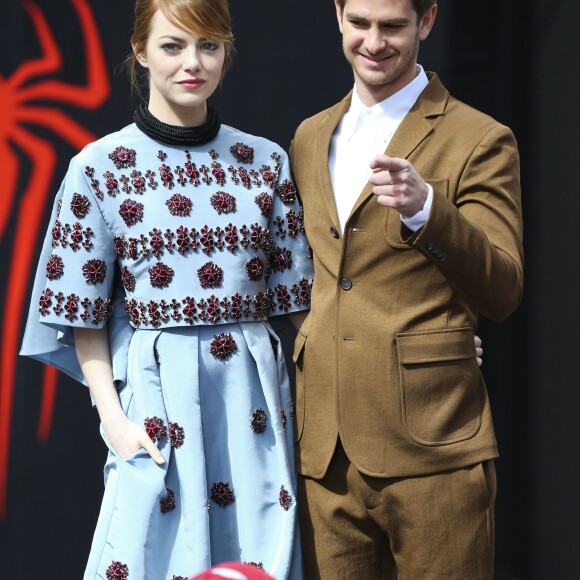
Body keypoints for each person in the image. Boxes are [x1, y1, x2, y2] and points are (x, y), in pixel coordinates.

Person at [20, 0, 312, 578]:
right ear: (140, 52)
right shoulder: (99, 166)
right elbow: (80, 310)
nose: (192, 62)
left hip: (252, 409)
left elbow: (303, 311)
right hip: (155, 408)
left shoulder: (264, 161)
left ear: (226, 52)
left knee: (255, 563)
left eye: (208, 45)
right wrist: (115, 422)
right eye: (173, 46)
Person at [289, 0, 523, 578]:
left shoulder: (480, 137)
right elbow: (309, 281)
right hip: (325, 454)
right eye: (360, 23)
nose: (374, 42)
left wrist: (428, 212)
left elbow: (503, 288)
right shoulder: (308, 137)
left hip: (435, 446)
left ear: (427, 20)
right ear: (338, 15)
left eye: (393, 25)